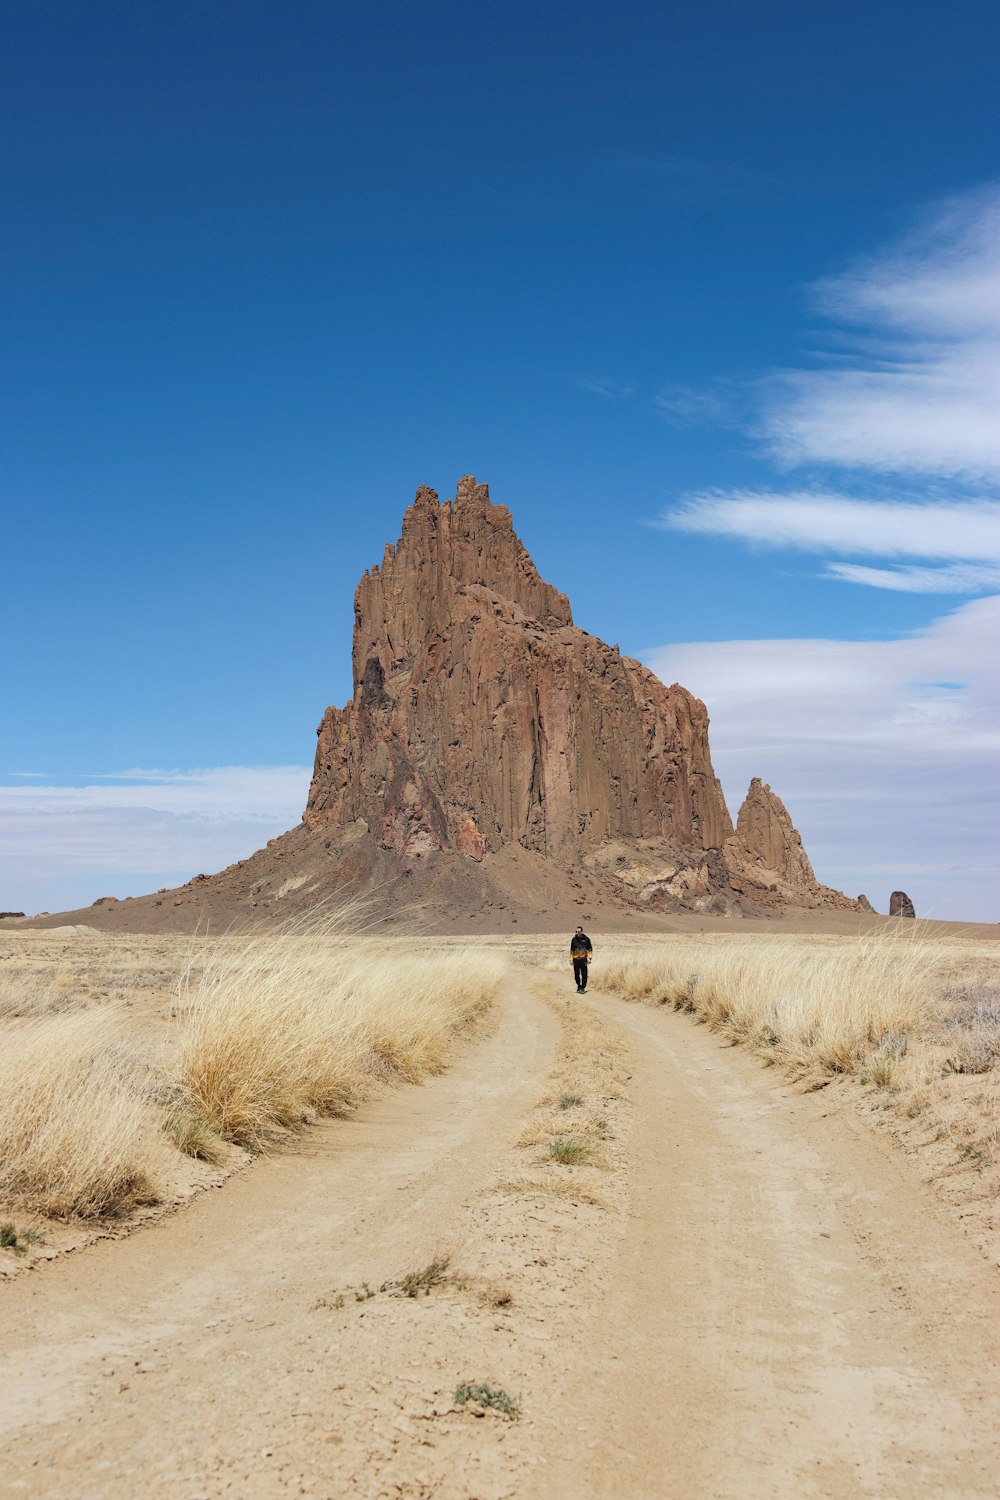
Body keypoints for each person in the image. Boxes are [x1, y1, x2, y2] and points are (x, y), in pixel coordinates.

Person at [569, 925, 593, 992]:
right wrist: (571, 959)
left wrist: (590, 958)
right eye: (576, 931)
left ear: (582, 931)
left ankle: (582, 987)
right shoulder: (574, 940)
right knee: (576, 974)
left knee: (584, 974)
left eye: (579, 931)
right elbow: (571, 950)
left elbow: (590, 949)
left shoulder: (586, 939)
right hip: (576, 959)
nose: (577, 933)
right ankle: (579, 986)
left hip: (583, 959)